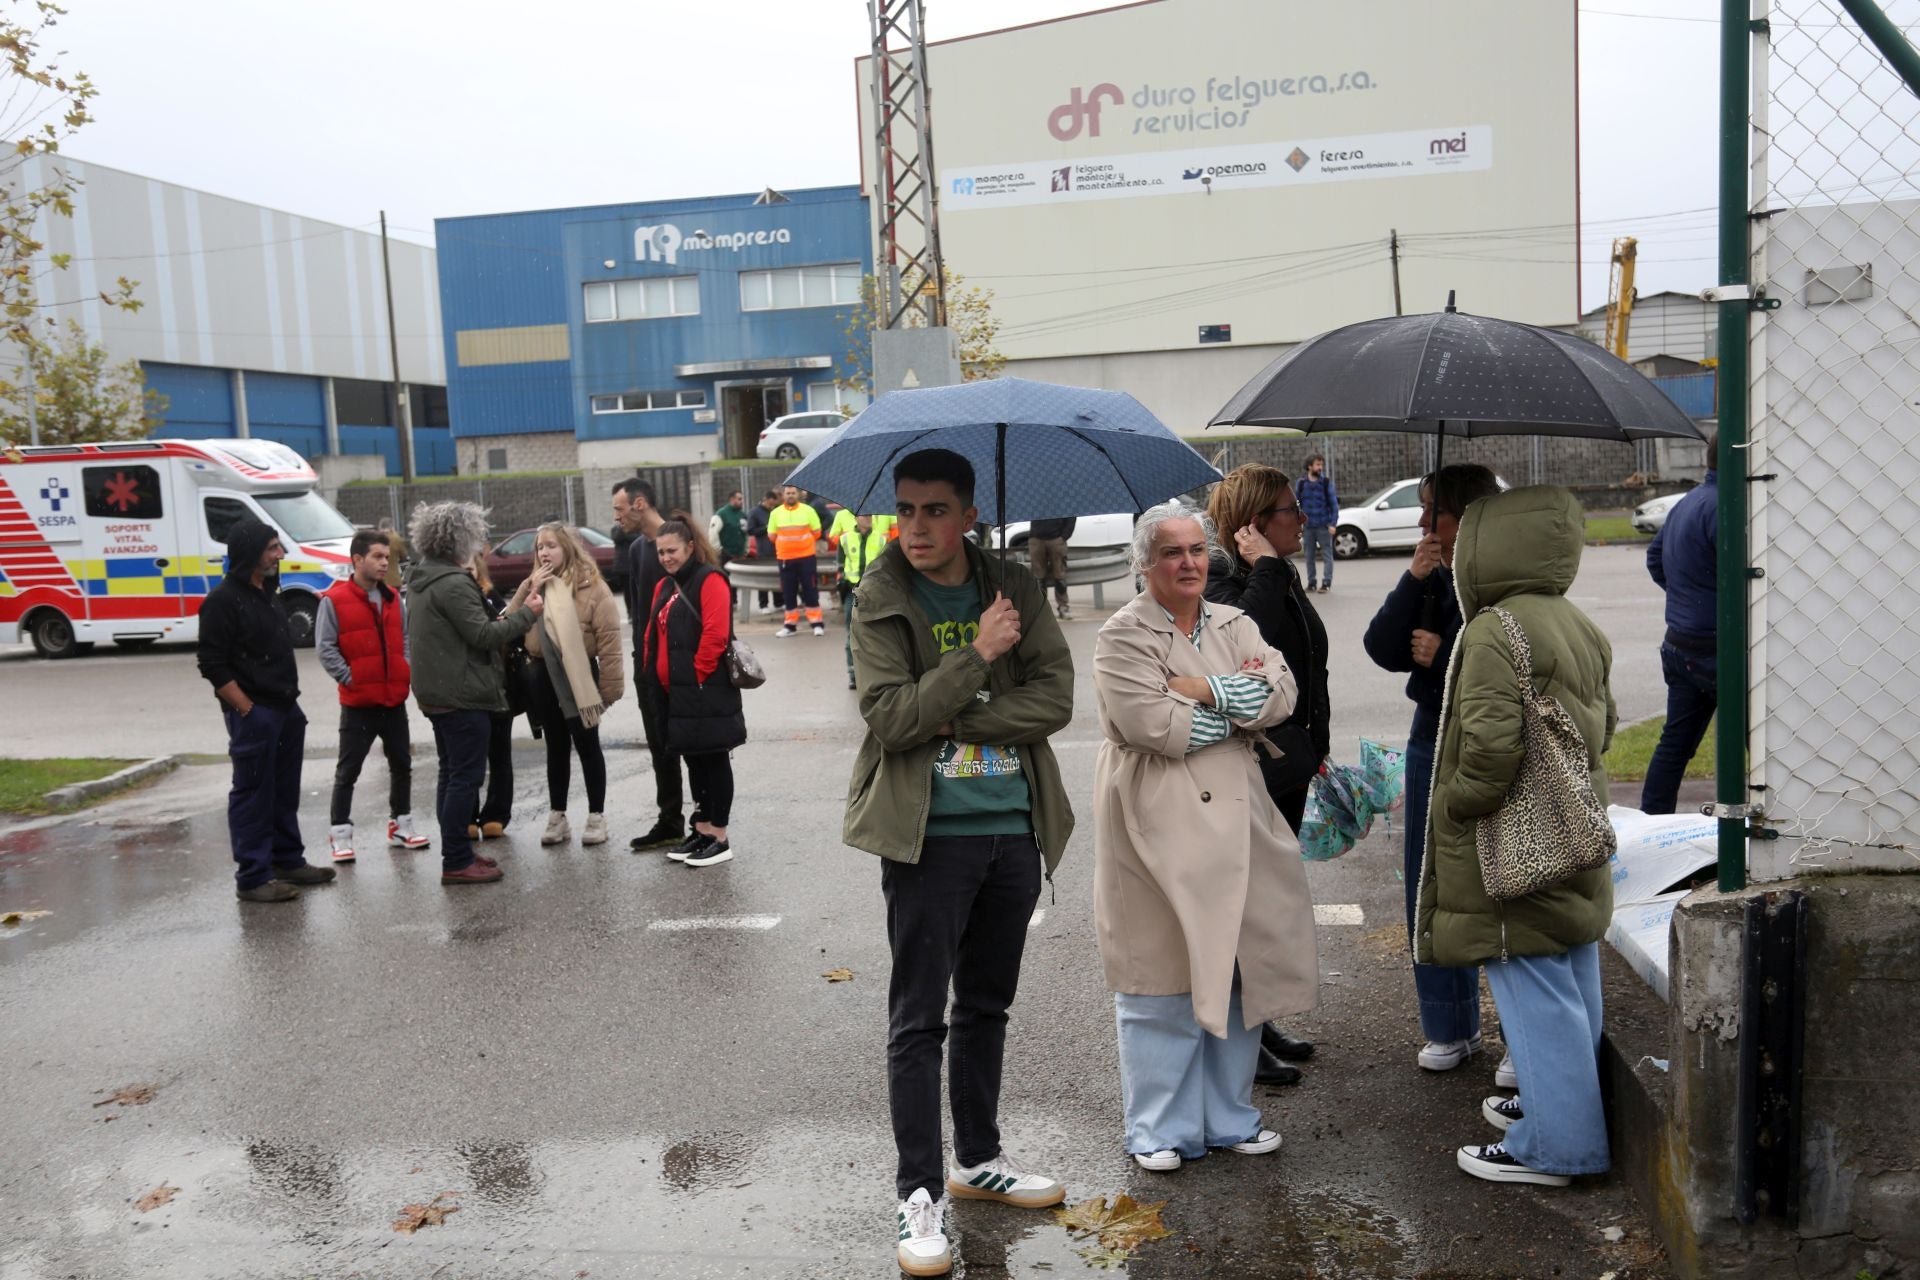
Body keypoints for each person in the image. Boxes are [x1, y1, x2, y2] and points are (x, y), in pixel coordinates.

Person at [844, 447, 1075, 1277]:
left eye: (935, 510)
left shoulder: (1013, 584)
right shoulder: (878, 597)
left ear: (969, 514)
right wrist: (976, 659)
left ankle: (976, 1161)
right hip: (927, 834)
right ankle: (918, 1196)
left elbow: (1056, 697)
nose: (916, 527)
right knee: (918, 1019)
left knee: (986, 1005)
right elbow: (893, 718)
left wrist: (960, 715)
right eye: (905, 510)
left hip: (1012, 826)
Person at [1092, 501, 1317, 1174]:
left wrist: (1195, 689)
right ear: (1144, 564)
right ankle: (1158, 1127)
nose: (1189, 563)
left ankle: (1230, 1116)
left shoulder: (1234, 620)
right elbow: (1150, 725)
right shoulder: (1122, 635)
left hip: (1239, 815)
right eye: (1171, 552)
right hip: (1153, 818)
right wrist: (1233, 705)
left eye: (1196, 550)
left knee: (1242, 971)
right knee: (1159, 976)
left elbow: (1282, 696)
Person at [1419, 485, 1617, 1188]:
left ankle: (1556, 1145)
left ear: (1486, 547)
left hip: (1511, 839)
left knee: (1530, 983)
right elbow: (1607, 726)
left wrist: (1455, 805)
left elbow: (1491, 748)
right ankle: (1557, 1105)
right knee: (1570, 971)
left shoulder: (1494, 630)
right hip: (1574, 826)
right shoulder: (1576, 622)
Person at [1363, 464, 1510, 1078]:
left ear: (1468, 515)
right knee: (1430, 880)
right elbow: (1382, 648)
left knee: (1501, 879)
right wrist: (1413, 578)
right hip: (1431, 736)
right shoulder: (1434, 576)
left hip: (1487, 740)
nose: (1423, 523)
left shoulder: (1504, 575)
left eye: (1434, 513)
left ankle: (1516, 1032)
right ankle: (1449, 1025)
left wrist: (1442, 651)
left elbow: (1501, 662)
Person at [1204, 464, 1329, 1087]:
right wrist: (1268, 571)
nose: (1302, 518)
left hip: (1289, 763)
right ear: (1254, 524)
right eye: (1288, 511)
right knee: (1242, 906)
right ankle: (1239, 1042)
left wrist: (1316, 744)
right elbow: (1241, 650)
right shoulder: (1224, 580)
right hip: (1253, 766)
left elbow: (1305, 662)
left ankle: (1259, 1021)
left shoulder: (1274, 573)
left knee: (1266, 902)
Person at [196, 516, 336, 902]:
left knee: (284, 790)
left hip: (286, 709)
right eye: (273, 547)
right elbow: (211, 663)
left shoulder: (268, 592)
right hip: (255, 714)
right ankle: (253, 877)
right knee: (253, 793)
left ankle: (287, 860)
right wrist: (245, 709)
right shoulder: (222, 601)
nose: (280, 553)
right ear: (251, 552)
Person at [406, 501, 542, 886]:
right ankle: (455, 860)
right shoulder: (452, 583)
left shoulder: (422, 578)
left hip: (439, 692)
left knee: (453, 774)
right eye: (476, 536)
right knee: (464, 778)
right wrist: (527, 613)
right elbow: (482, 635)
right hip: (462, 694)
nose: (481, 545)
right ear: (458, 539)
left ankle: (459, 853)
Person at [316, 530, 430, 863]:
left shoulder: (395, 597)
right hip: (358, 703)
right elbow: (326, 648)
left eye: (387, 557)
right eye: (378, 557)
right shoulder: (333, 601)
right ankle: (340, 833)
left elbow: (405, 639)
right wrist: (350, 678)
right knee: (348, 771)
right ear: (357, 560)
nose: (385, 563)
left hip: (393, 699)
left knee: (402, 765)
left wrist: (403, 669)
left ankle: (401, 825)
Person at [509, 523, 623, 848]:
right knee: (555, 748)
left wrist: (609, 690)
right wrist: (528, 588)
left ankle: (596, 816)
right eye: (539, 547)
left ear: (568, 548)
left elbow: (610, 642)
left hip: (579, 677)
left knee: (588, 747)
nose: (544, 553)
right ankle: (558, 816)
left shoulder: (592, 587)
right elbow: (509, 624)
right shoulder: (535, 585)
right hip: (542, 676)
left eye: (550, 546)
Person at [646, 517, 745, 868]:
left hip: (704, 689)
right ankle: (702, 829)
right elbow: (655, 636)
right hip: (677, 692)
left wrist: (699, 676)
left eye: (672, 550)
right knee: (694, 759)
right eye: (660, 552)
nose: (666, 557)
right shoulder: (666, 585)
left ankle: (719, 835)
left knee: (714, 759)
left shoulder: (710, 579)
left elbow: (716, 635)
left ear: (690, 547)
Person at [1641, 444, 1718, 814]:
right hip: (1716, 648)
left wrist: (1686, 596)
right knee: (1762, 739)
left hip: (1680, 643)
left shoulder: (1689, 501)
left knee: (1674, 745)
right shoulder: (1728, 506)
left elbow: (1655, 557)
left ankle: (1653, 822)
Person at [613, 478, 689, 851]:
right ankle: (670, 820)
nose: (617, 516)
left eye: (620, 508)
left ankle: (706, 822)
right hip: (647, 665)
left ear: (639, 504)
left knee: (692, 743)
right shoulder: (639, 548)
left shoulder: (676, 544)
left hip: (679, 667)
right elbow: (639, 611)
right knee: (660, 745)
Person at [468, 553, 518, 840]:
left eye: (471, 567)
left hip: (500, 688)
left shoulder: (491, 597)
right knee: (470, 757)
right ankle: (468, 815)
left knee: (500, 755)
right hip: (470, 689)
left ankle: (497, 814)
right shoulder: (454, 599)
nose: (468, 572)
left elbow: (507, 630)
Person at [830, 511, 887, 690]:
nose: (868, 518)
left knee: (876, 634)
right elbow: (840, 565)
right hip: (851, 591)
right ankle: (853, 675)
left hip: (873, 592)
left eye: (870, 516)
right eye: (864, 516)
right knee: (851, 634)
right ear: (856, 518)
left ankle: (875, 674)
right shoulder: (845, 539)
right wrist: (842, 584)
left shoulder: (881, 540)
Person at [768, 483, 825, 638]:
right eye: (788, 493)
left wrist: (801, 544)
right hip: (785, 558)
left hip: (807, 557)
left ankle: (817, 624)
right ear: (783, 495)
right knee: (789, 592)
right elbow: (772, 536)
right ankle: (790, 625)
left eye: (793, 493)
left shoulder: (809, 511)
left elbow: (817, 532)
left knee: (810, 590)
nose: (791, 495)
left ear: (798, 495)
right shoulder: (776, 513)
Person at [1297, 453, 1340, 593]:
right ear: (1310, 466)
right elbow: (1297, 506)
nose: (1320, 467)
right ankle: (1312, 583)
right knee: (1309, 556)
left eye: (1321, 464)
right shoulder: (1301, 483)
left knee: (1327, 555)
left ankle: (1326, 583)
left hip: (1324, 526)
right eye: (1317, 464)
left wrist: (1333, 523)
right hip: (1308, 527)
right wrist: (1298, 525)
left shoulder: (1326, 483)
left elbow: (1334, 505)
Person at [1026, 516, 1076, 620]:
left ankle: (1063, 607)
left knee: (1060, 577)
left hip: (1057, 539)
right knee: (1038, 579)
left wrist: (1064, 536)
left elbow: (1072, 516)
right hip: (1036, 538)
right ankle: (1041, 609)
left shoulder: (1062, 499)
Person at [715, 489, 749, 608]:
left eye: (742, 499)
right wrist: (718, 549)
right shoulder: (721, 514)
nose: (741, 502)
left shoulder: (742, 515)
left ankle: (734, 601)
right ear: (732, 499)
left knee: (736, 580)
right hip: (726, 553)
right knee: (725, 579)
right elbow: (713, 533)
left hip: (738, 553)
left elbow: (745, 533)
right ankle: (726, 602)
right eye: (739, 499)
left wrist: (745, 549)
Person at [746, 489, 779, 611]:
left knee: (777, 577)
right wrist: (766, 528)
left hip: (777, 549)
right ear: (765, 500)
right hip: (764, 550)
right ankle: (763, 604)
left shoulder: (775, 512)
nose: (771, 506)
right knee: (764, 578)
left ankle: (779, 602)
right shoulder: (755, 512)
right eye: (770, 504)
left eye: (773, 505)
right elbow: (751, 530)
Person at [376, 516, 410, 594]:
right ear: (392, 527)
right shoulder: (396, 539)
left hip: (378, 580)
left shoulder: (374, 539)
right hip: (393, 580)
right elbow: (403, 556)